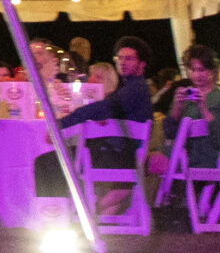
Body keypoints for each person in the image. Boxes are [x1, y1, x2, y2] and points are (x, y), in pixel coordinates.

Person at [55, 35, 153, 214]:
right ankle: (92, 212)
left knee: (54, 159)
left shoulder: (134, 90)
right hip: (124, 156)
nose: (122, 62)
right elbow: (107, 109)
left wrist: (59, 125)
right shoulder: (133, 89)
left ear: (142, 64)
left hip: (118, 158)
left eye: (129, 58)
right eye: (119, 58)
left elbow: (101, 107)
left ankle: (63, 213)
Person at [148, 44, 220, 183]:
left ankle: (162, 194)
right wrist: (177, 108)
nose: (197, 75)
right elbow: (170, 134)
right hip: (182, 152)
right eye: (192, 70)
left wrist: (204, 109)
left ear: (212, 71)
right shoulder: (186, 94)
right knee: (144, 160)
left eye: (201, 70)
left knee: (149, 163)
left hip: (206, 156)